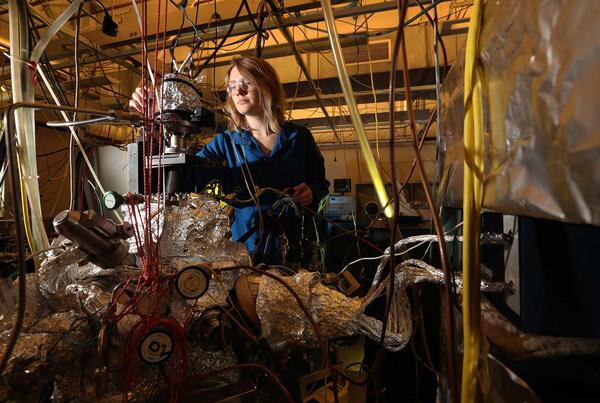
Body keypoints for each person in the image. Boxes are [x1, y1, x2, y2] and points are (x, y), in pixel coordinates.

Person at [130, 57, 329, 264]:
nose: (238, 92)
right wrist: (153, 127)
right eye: (232, 86)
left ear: (267, 84)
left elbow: (322, 187)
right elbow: (180, 180)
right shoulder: (225, 144)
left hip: (298, 253)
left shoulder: (300, 138)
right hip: (249, 254)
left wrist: (313, 193)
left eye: (246, 83)